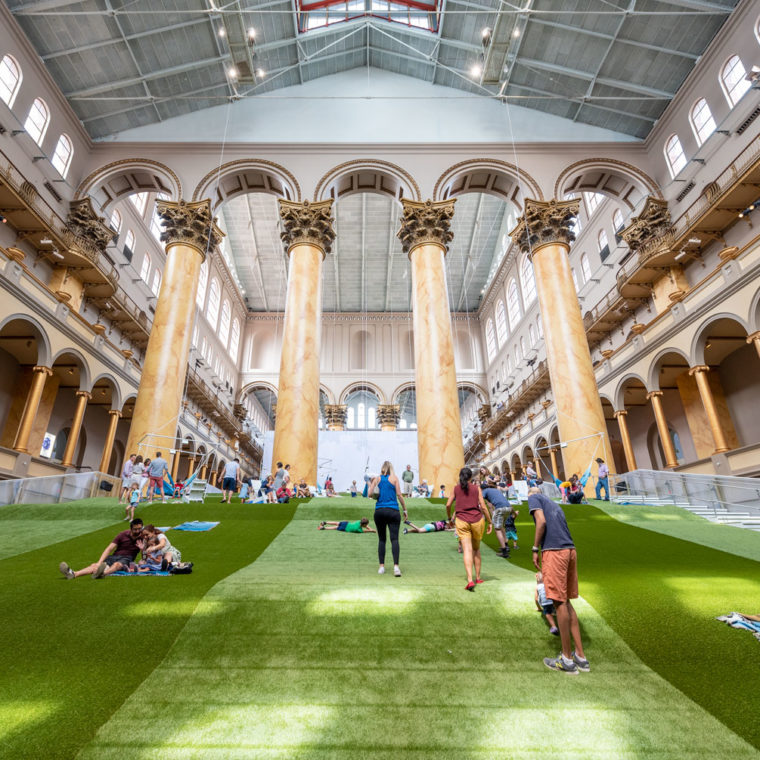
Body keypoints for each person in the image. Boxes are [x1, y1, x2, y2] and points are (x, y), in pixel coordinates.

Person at [528, 487, 589, 675]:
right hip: (570, 550)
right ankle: (581, 656)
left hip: (554, 552)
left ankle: (567, 660)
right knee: (567, 601)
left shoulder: (534, 498)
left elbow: (541, 522)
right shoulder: (554, 504)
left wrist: (535, 548)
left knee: (558, 602)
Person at [446, 467, 493, 591]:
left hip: (461, 521)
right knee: (476, 549)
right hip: (477, 520)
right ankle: (478, 577)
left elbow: (448, 504)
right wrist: (490, 522)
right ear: (471, 477)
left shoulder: (456, 489)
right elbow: (483, 506)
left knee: (467, 550)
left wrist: (449, 518)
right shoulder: (476, 488)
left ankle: (470, 580)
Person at [59, 518, 145, 579]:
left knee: (117, 565)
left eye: (139, 529)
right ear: (131, 529)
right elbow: (109, 548)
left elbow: (144, 557)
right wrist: (98, 563)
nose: (137, 531)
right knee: (95, 565)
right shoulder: (122, 535)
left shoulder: (143, 537)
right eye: (135, 529)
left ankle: (102, 574)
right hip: (115, 556)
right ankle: (74, 574)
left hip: (127, 559)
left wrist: (142, 549)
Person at [369, 461, 407, 577]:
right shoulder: (394, 478)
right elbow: (399, 495)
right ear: (391, 468)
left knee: (382, 540)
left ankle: (381, 567)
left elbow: (370, 494)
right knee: (394, 539)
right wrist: (405, 509)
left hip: (380, 511)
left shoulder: (377, 479)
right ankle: (396, 567)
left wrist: (372, 485)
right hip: (393, 511)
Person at [481, 478, 513, 558]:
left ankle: (504, 551)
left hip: (500, 508)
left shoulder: (485, 491)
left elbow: (480, 500)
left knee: (497, 529)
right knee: (501, 526)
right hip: (508, 508)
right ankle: (506, 545)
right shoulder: (495, 490)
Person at [535, 571, 559, 635]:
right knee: (554, 608)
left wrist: (539, 608)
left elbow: (536, 599)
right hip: (553, 601)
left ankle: (554, 627)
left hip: (545, 603)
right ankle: (555, 612)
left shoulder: (537, 587)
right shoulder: (548, 584)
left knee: (548, 614)